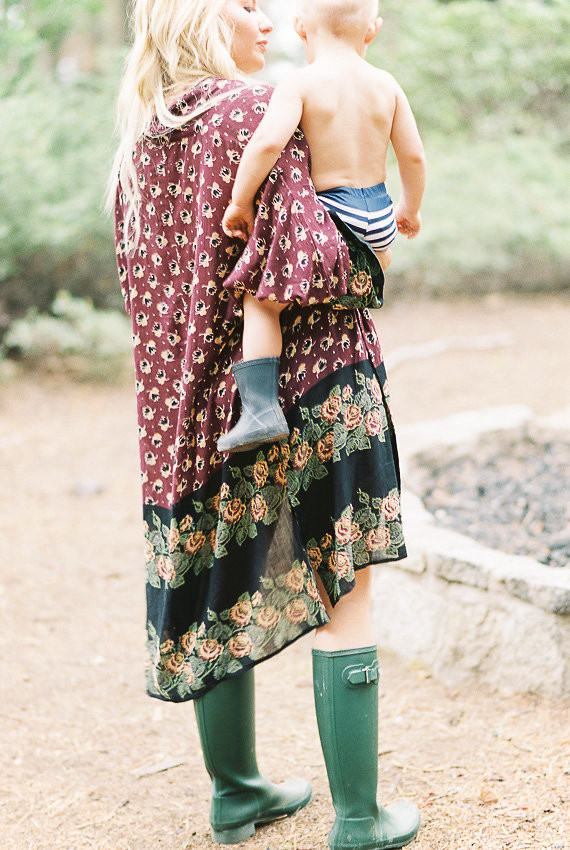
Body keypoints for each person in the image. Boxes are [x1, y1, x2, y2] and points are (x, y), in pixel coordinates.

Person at [108, 1, 421, 848]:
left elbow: (155, 300)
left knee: (219, 590)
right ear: (201, 17)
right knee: (346, 593)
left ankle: (238, 793)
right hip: (315, 385)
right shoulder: (257, 108)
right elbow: (307, 259)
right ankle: (360, 818)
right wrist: (379, 246)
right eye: (244, 4)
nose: (265, 19)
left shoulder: (138, 146)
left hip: (197, 411)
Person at [218, 0, 426, 455]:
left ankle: (258, 410)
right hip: (378, 219)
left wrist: (238, 201)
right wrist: (410, 209)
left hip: (331, 217)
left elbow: (268, 143)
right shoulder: (386, 86)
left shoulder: (301, 83)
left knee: (261, 301)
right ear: (372, 30)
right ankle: (360, 283)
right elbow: (412, 156)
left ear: (299, 27)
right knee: (361, 267)